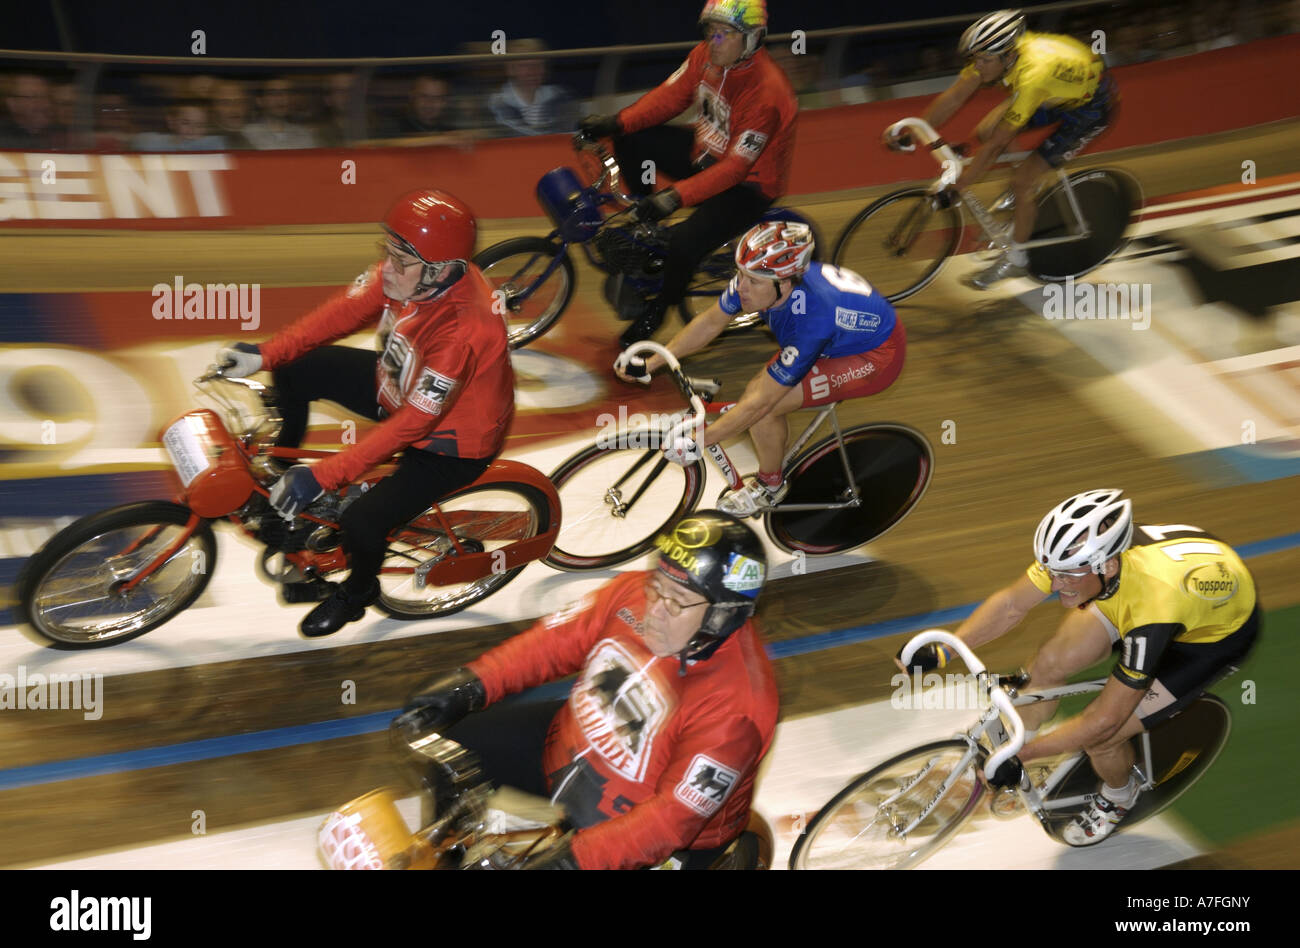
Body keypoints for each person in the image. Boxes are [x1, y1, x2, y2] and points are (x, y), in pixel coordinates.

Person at [393, 510, 779, 870]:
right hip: (569, 748)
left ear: (721, 616)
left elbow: (668, 823)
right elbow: (554, 642)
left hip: (637, 816)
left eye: (676, 602)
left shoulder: (737, 708)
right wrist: (470, 684)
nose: (653, 611)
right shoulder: (631, 593)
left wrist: (572, 861)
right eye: (656, 586)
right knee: (458, 747)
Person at [213, 190, 514, 638]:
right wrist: (266, 354)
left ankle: (357, 593)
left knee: (363, 522)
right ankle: (283, 476)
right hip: (397, 383)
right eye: (387, 252)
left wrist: (324, 476)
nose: (386, 268)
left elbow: (414, 424)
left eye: (400, 260)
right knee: (296, 369)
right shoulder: (419, 272)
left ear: (439, 271)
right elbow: (342, 312)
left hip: (448, 443)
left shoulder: (464, 333)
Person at [903, 489, 1260, 845]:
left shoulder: (1151, 609)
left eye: (1067, 577)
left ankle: (1120, 795)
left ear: (1106, 564)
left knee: (1104, 738)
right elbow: (1013, 604)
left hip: (1205, 644)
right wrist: (944, 651)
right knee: (1047, 664)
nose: (1057, 586)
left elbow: (1101, 722)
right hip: (1150, 592)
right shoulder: (1082, 559)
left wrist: (1022, 756)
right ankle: (1018, 740)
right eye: (1053, 573)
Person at [616, 220, 905, 518]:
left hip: (874, 358)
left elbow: (760, 404)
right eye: (740, 274)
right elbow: (712, 321)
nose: (741, 286)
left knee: (764, 408)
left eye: (752, 281)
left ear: (787, 282)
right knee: (757, 393)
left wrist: (700, 441)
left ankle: (770, 486)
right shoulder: (761, 278)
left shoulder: (812, 318)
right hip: (834, 337)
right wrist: (654, 363)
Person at [580, 0, 798, 348]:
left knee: (683, 244)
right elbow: (669, 98)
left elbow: (735, 169)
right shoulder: (705, 57)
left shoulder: (767, 95)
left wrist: (674, 197)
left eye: (724, 34)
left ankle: (658, 311)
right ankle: (647, 222)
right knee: (634, 139)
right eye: (710, 32)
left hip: (746, 185)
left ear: (753, 39)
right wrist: (617, 122)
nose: (714, 41)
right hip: (706, 154)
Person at [887, 9, 1117, 289]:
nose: (978, 66)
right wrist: (914, 130)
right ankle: (1024, 189)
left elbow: (997, 145)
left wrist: (959, 188)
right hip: (1056, 95)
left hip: (1090, 109)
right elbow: (956, 96)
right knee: (985, 131)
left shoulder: (1033, 75)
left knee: (1020, 180)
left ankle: (1017, 259)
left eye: (984, 60)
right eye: (975, 59)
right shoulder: (999, 55)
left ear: (1008, 56)